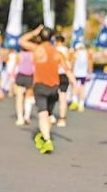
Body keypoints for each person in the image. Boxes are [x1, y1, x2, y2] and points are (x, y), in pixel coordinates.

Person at [20, 26, 67, 154]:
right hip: (54, 87)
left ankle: (47, 139)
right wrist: (74, 82)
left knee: (42, 114)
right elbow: (67, 69)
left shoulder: (37, 49)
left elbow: (21, 41)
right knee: (48, 115)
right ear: (52, 38)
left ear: (40, 37)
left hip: (40, 85)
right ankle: (46, 136)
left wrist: (34, 32)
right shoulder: (57, 52)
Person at [10, 46, 35, 126]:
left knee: (19, 97)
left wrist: (12, 76)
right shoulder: (33, 55)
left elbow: (15, 66)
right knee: (28, 97)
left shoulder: (19, 55)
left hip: (20, 76)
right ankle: (27, 116)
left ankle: (20, 117)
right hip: (30, 76)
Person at [54, 34, 73, 127]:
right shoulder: (67, 50)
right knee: (63, 97)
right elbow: (69, 62)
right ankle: (62, 118)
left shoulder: (54, 50)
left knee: (52, 96)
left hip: (55, 74)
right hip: (64, 74)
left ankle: (50, 115)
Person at [70, 43, 93, 111]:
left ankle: (75, 102)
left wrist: (71, 72)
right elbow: (90, 63)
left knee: (74, 87)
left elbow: (72, 64)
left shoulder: (75, 54)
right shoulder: (87, 53)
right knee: (82, 88)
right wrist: (89, 72)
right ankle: (81, 104)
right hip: (83, 74)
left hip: (75, 73)